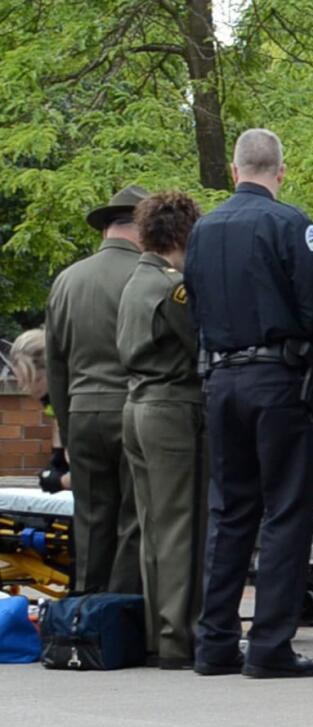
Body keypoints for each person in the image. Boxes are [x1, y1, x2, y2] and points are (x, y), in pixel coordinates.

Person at [185, 128, 313, 679]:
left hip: (222, 379)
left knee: (229, 511)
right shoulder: (291, 224)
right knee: (287, 510)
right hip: (278, 379)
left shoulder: (203, 229)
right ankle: (270, 643)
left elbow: (193, 305)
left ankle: (216, 641)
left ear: (233, 169)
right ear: (281, 170)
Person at [116, 191, 208, 669]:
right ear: (183, 235)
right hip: (172, 408)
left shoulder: (136, 280)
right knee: (180, 526)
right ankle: (179, 637)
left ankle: (158, 632)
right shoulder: (174, 287)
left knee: (153, 525)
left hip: (136, 405)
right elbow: (199, 340)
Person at [45, 185, 148, 595]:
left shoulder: (67, 280)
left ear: (107, 227)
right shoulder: (150, 277)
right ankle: (119, 616)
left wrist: (67, 434)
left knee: (90, 518)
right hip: (134, 410)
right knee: (133, 518)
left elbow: (55, 366)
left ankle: (85, 611)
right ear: (142, 226)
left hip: (83, 414)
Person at [8, 330, 71, 494]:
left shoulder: (72, 401)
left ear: (50, 372)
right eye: (20, 380)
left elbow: (90, 475)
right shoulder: (54, 401)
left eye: (32, 379)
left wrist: (60, 482)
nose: (25, 388)